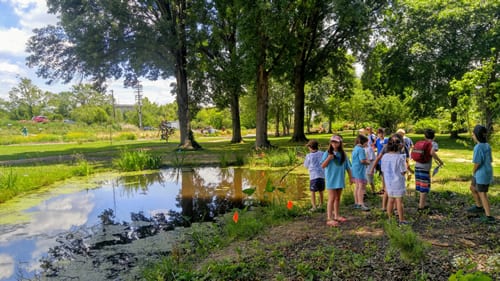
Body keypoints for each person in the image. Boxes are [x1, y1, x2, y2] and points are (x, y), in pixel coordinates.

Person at [321, 135, 353, 227]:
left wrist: (351, 177)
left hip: (340, 179)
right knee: (331, 198)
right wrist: (329, 158)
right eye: (332, 142)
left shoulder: (343, 154)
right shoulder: (327, 153)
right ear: (330, 143)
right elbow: (323, 166)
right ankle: (329, 218)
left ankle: (337, 215)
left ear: (340, 143)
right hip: (331, 179)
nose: (334, 144)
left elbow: (348, 167)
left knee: (338, 198)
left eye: (336, 142)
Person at [466, 125, 495, 224]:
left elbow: (477, 162)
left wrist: (473, 171)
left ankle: (488, 216)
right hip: (484, 172)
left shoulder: (478, 147)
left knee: (483, 194)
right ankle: (479, 206)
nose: (472, 135)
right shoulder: (487, 145)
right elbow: (490, 160)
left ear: (477, 135)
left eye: (473, 134)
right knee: (472, 187)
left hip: (481, 173)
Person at [381, 135, 408, 225]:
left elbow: (383, 170)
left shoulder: (384, 157)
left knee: (390, 200)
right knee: (399, 201)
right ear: (400, 146)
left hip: (389, 182)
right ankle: (401, 220)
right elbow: (403, 171)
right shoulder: (400, 158)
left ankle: (390, 219)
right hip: (398, 183)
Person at [415, 129, 444, 211]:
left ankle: (422, 204)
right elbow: (432, 152)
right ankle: (421, 207)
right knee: (424, 187)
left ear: (424, 136)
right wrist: (440, 161)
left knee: (421, 186)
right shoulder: (433, 144)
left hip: (417, 166)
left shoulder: (422, 143)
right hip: (425, 168)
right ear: (434, 137)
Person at [304, 139, 325, 211]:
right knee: (321, 191)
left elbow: (306, 166)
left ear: (310, 147)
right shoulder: (322, 153)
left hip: (313, 176)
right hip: (322, 175)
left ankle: (314, 206)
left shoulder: (308, 156)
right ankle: (321, 204)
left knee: (312, 191)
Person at [352, 134, 370, 211]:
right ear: (363, 142)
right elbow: (362, 160)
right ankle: (361, 203)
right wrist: (368, 162)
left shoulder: (355, 148)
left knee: (357, 187)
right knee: (361, 187)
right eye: (366, 142)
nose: (367, 144)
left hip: (355, 170)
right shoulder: (361, 149)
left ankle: (356, 203)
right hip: (360, 170)